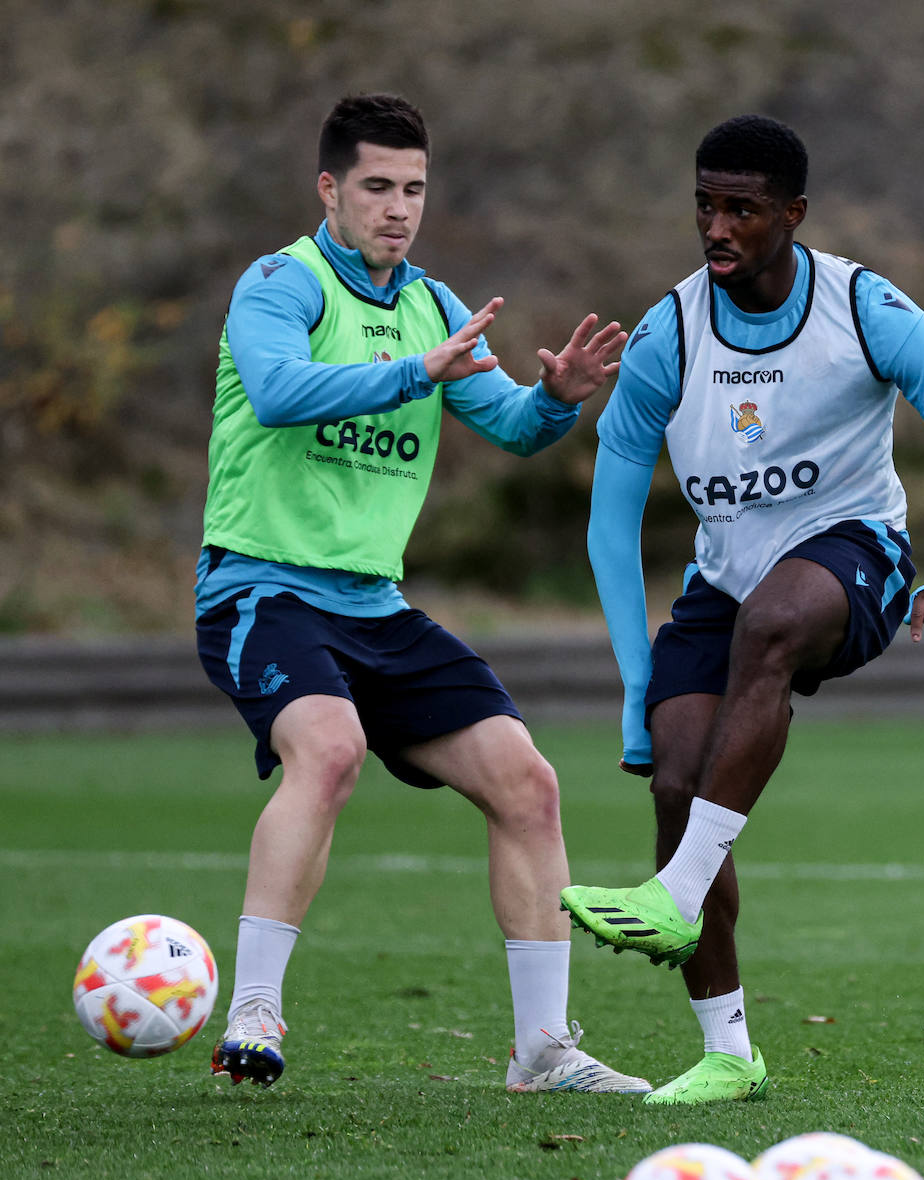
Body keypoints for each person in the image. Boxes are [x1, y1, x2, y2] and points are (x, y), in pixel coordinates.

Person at [561, 115, 924, 1105]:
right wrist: (637, 690)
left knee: (772, 622)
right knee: (675, 780)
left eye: (741, 208)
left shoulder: (867, 311)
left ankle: (676, 894)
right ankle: (728, 1050)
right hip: (721, 584)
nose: (716, 227)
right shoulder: (666, 336)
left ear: (793, 215)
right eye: (703, 205)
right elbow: (607, 529)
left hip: (857, 562)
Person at [195, 92, 649, 1095]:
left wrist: (559, 402)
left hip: (373, 606)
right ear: (330, 188)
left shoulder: (436, 307)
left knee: (527, 782)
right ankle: (256, 1013)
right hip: (259, 587)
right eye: (376, 188)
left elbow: (512, 426)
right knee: (329, 746)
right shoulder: (282, 284)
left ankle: (541, 1051)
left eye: (413, 189)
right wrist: (411, 373)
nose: (398, 209)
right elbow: (275, 392)